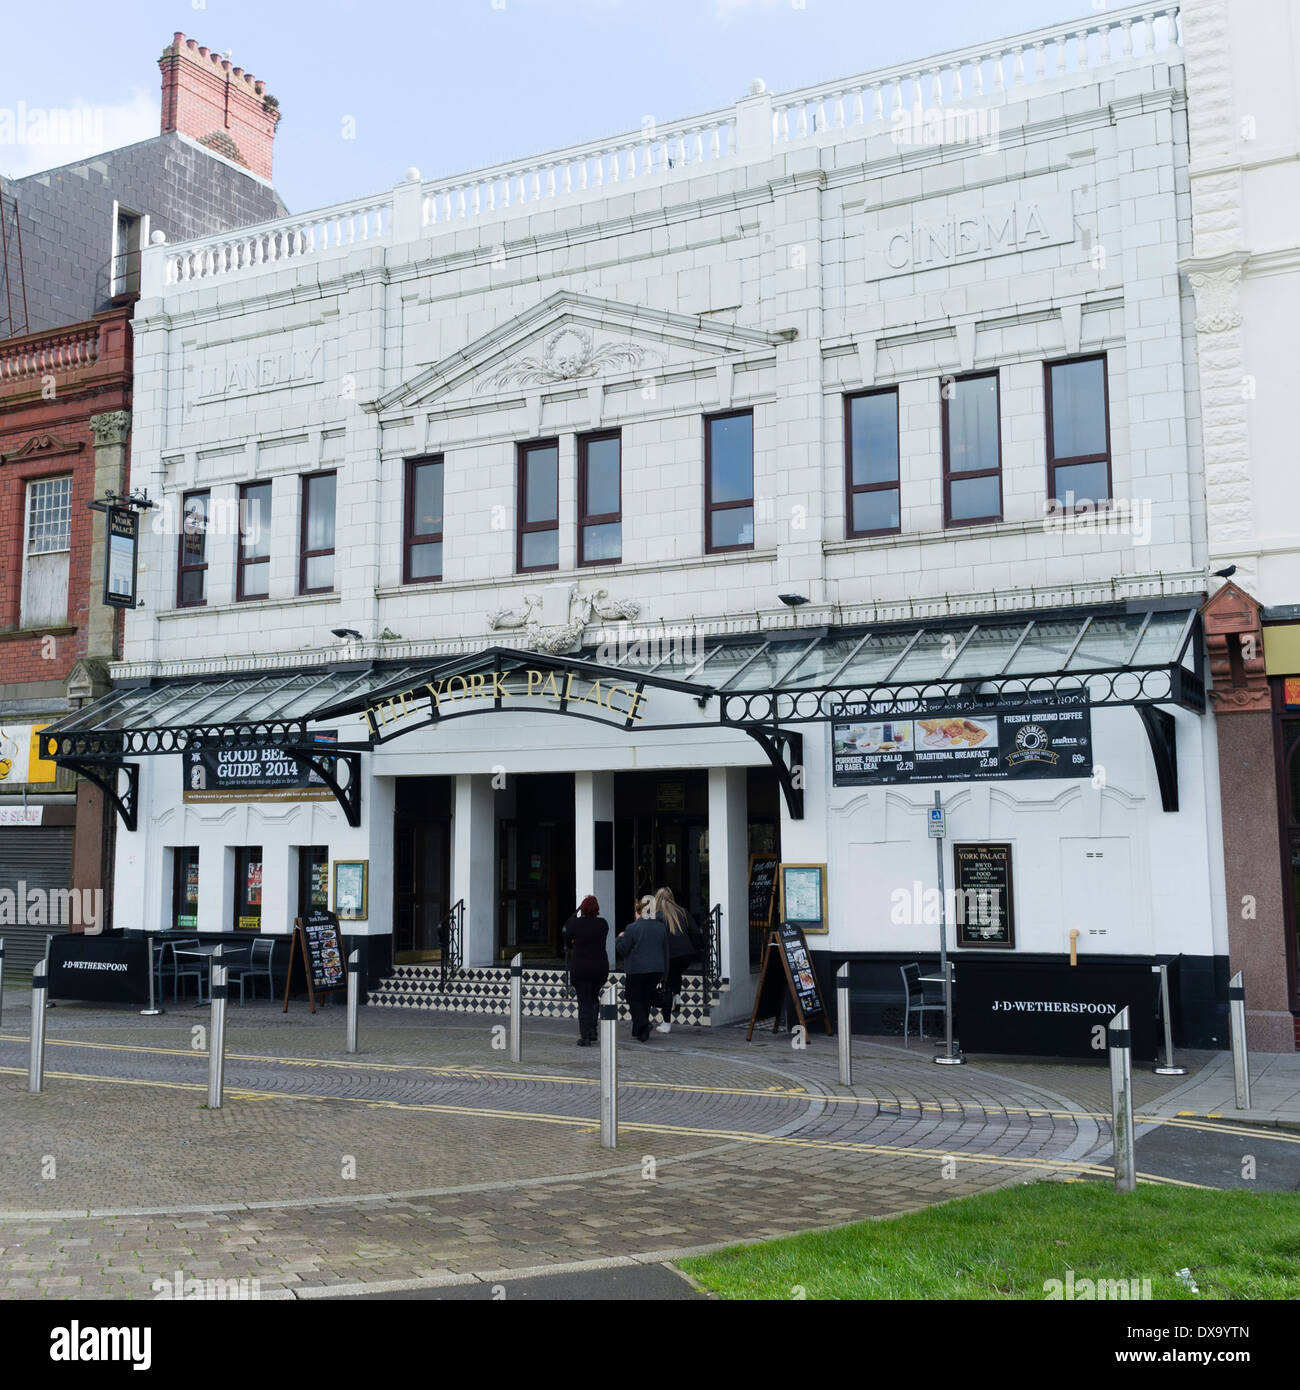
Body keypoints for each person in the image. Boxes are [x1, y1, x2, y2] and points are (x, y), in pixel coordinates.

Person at [615, 898, 670, 1042]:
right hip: (656, 969)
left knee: (633, 997)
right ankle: (641, 1032)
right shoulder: (661, 927)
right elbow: (666, 951)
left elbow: (623, 949)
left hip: (637, 969)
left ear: (639, 911)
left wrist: (619, 938)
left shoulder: (632, 928)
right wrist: (665, 973)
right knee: (645, 998)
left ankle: (644, 1024)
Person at [560, 895, 609, 1047]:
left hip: (581, 968)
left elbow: (566, 938)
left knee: (584, 1002)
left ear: (582, 908)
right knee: (594, 998)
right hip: (599, 967)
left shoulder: (575, 923)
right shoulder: (603, 924)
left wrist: (574, 941)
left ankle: (585, 1036)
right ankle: (593, 1031)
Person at [653, 886, 702, 1034]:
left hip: (669, 955)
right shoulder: (683, 911)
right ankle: (678, 996)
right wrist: (697, 948)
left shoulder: (657, 916)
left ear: (658, 899)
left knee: (666, 986)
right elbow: (696, 931)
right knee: (676, 974)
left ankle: (666, 1023)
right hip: (686, 954)